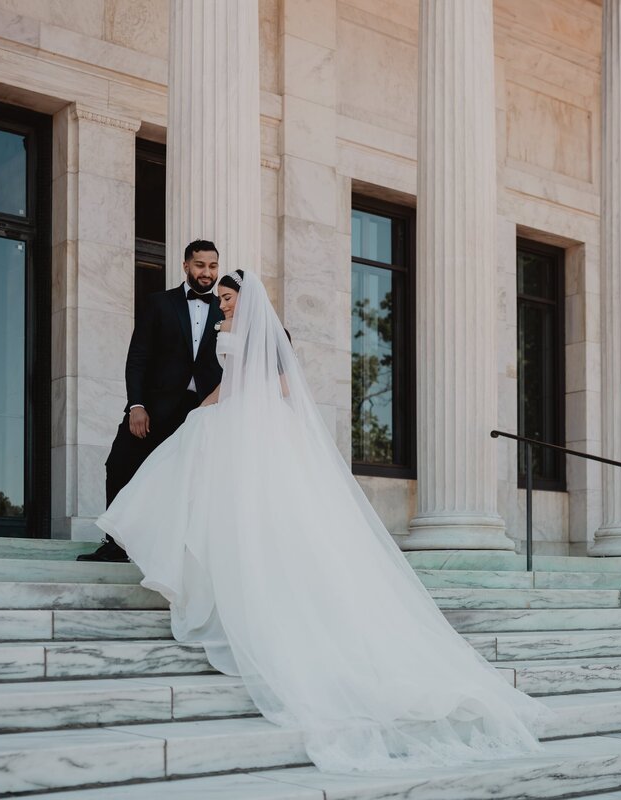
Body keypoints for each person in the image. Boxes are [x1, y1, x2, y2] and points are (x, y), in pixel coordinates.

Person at [96, 269, 548, 771]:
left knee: (249, 511)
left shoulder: (268, 335)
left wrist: (233, 410)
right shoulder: (223, 333)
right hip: (228, 421)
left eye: (227, 298)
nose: (222, 304)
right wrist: (204, 409)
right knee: (208, 502)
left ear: (245, 299)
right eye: (219, 298)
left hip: (250, 427)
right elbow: (222, 384)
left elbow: (282, 386)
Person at [78, 241, 223, 563]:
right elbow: (138, 358)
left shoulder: (225, 310)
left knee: (193, 480)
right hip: (155, 408)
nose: (207, 273)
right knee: (120, 465)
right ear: (186, 266)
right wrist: (136, 405)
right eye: (200, 265)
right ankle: (116, 545)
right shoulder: (158, 303)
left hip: (203, 411)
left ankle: (182, 552)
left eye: (213, 266)